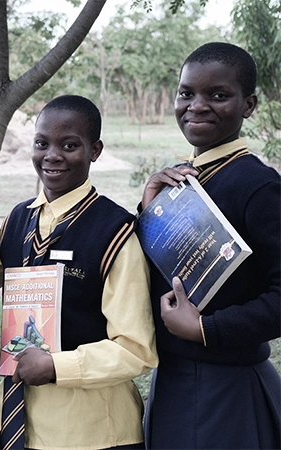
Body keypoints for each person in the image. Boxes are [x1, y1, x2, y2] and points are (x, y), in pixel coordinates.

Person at [0, 95, 158, 450]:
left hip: (90, 432)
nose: (52, 155)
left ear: (95, 150)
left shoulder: (114, 232)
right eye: (42, 143)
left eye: (69, 145)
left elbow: (135, 349)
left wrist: (56, 366)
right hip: (14, 422)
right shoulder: (20, 219)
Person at [139, 42, 281, 449]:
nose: (197, 106)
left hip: (225, 387)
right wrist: (148, 211)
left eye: (218, 95)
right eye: (186, 93)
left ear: (248, 104)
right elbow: (155, 273)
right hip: (175, 376)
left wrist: (206, 328)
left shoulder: (258, 187)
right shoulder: (183, 180)